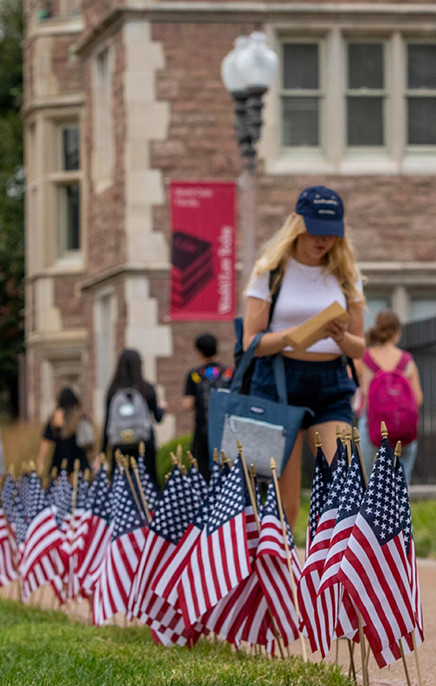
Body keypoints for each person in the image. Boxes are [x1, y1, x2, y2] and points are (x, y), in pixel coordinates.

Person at [243, 185, 366, 525]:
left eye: (330, 233)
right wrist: (291, 337)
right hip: (279, 383)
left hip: (331, 384)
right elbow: (250, 342)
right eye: (315, 231)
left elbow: (360, 347)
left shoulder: (346, 276)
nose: (322, 240)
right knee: (286, 502)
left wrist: (341, 337)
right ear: (297, 224)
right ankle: (282, 573)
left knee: (345, 485)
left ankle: (335, 573)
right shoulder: (272, 271)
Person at [355, 310, 423, 485]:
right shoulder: (406, 361)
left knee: (369, 485)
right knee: (401, 485)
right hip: (402, 429)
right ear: (397, 332)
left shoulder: (364, 359)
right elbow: (418, 398)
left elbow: (351, 387)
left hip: (372, 427)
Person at [103, 349, 165, 477]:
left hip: (119, 445)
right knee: (147, 484)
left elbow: (107, 422)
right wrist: (162, 408)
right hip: (144, 444)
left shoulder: (112, 391)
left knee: (121, 485)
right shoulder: (146, 389)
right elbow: (158, 418)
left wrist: (102, 451)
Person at [181, 334, 230, 480]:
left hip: (203, 432)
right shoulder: (229, 373)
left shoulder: (195, 375)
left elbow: (187, 404)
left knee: (202, 474)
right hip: (226, 431)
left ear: (199, 352)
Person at [38, 387, 93, 475]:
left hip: (60, 457)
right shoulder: (79, 415)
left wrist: (41, 458)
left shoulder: (56, 416)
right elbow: (89, 438)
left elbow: (46, 439)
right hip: (78, 456)